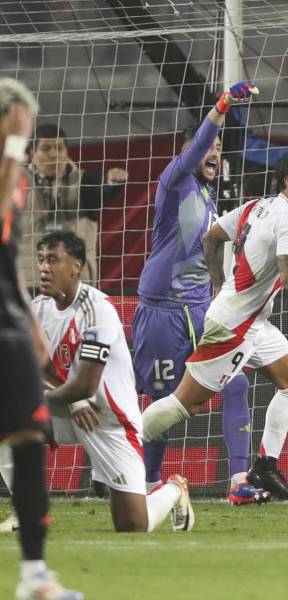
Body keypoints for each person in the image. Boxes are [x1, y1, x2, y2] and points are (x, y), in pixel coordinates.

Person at [139, 148, 288, 500]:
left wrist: (219, 286)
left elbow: (212, 237)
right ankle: (117, 448)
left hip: (253, 323)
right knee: (183, 404)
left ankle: (264, 467)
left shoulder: (256, 206)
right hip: (234, 326)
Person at [131, 81, 268, 505]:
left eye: (219, 150)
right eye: (208, 147)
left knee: (236, 384)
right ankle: (146, 485)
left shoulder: (209, 196)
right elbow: (196, 148)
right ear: (188, 152)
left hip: (202, 312)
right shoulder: (173, 181)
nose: (214, 153)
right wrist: (222, 106)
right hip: (162, 312)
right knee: (162, 402)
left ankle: (239, 481)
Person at [30, 231, 195, 537]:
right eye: (40, 260)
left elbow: (86, 385)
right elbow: (41, 366)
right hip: (72, 410)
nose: (43, 268)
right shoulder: (38, 308)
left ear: (75, 267)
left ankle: (173, 489)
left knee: (132, 526)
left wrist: (45, 399)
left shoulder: (97, 309)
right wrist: (70, 402)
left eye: (53, 260)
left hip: (109, 421)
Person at [0, 78, 83, 600]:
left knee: (29, 442)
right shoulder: (10, 169)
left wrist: (29, 322)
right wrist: (13, 147)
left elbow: (6, 256)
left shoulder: (16, 181)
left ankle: (34, 575)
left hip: (7, 322)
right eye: (23, 125)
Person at [17, 124, 128, 290]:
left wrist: (111, 182)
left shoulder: (84, 181)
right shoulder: (18, 182)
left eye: (59, 148)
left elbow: (101, 190)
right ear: (32, 153)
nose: (54, 154)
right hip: (30, 284)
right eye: (46, 149)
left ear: (67, 151)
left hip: (75, 284)